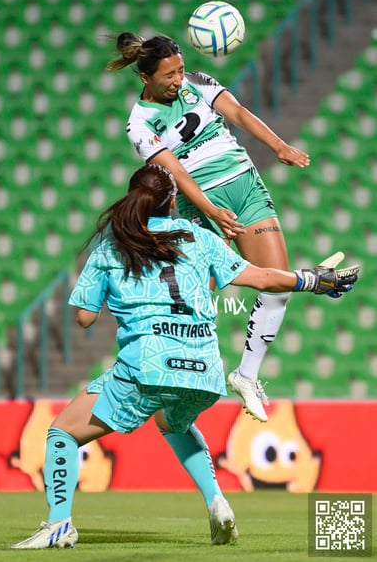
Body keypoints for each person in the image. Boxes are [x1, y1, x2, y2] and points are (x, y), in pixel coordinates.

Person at [10, 164, 358, 550]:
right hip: (205, 372)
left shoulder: (112, 245)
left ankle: (59, 524)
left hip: (148, 367)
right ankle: (218, 504)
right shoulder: (199, 237)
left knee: (62, 434)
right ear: (173, 201)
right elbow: (262, 278)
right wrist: (312, 279)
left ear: (132, 200)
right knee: (173, 423)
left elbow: (85, 319)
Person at [107, 32, 311, 423]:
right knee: (196, 296)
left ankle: (246, 375)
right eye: (168, 75)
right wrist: (211, 212)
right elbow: (176, 171)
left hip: (246, 185)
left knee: (280, 284)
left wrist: (279, 146)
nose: (178, 80)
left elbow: (238, 113)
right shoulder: (139, 123)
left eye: (181, 70)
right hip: (201, 202)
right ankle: (162, 376)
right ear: (145, 77)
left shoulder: (198, 81)